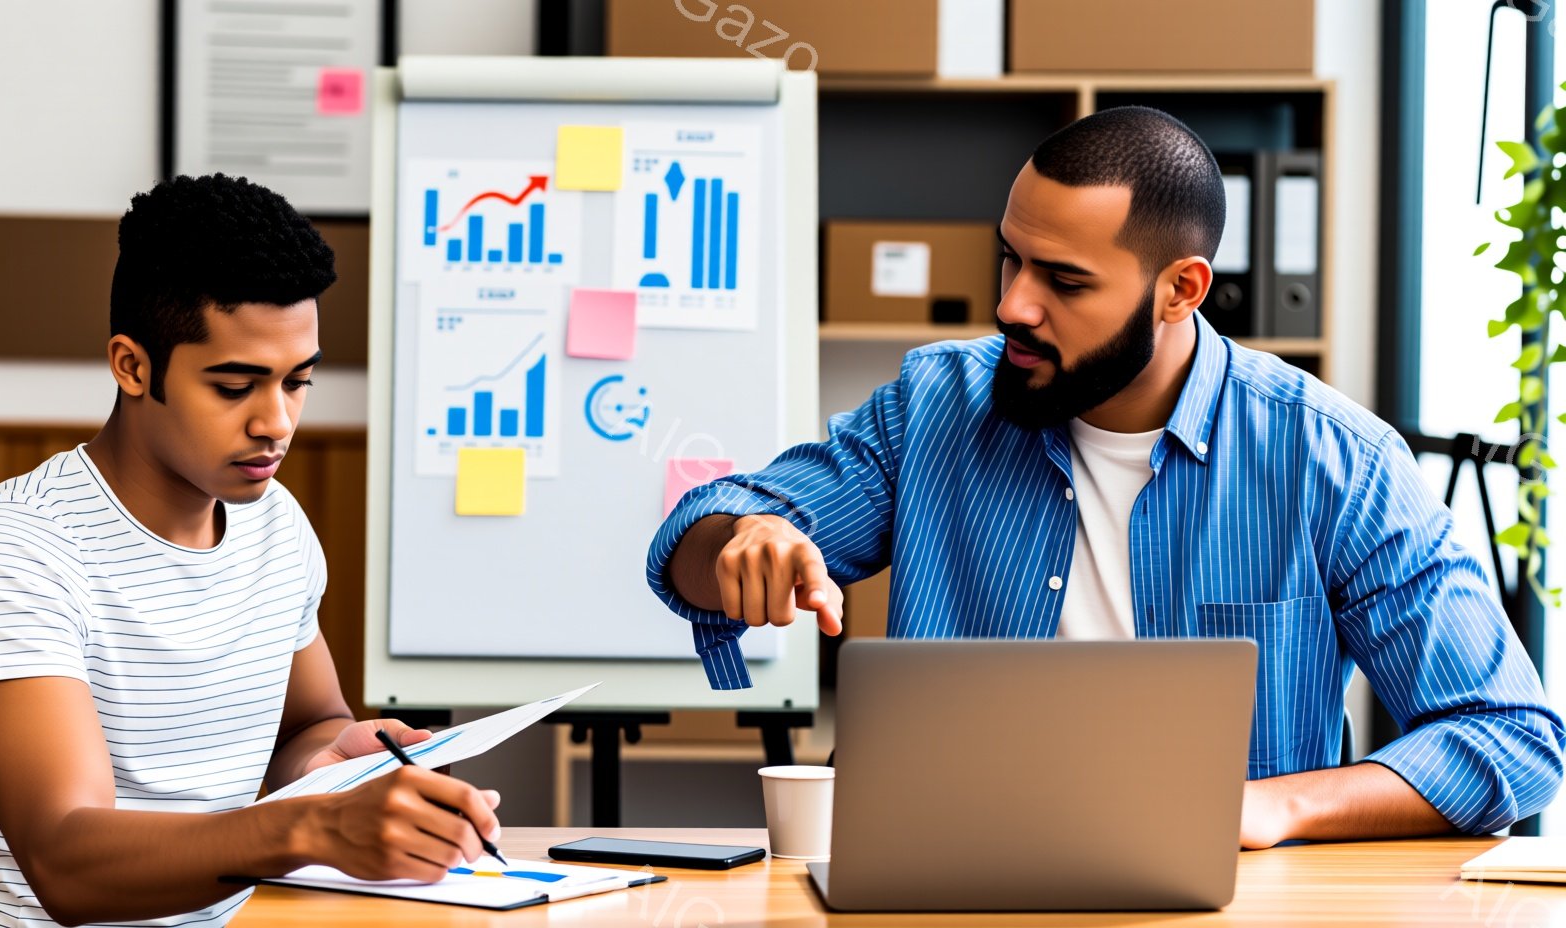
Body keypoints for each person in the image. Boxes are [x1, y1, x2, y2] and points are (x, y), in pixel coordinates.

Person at [648, 107, 1564, 848]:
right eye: (1010, 256)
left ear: (1181, 290)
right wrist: (739, 538)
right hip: (935, 890)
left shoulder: (1333, 461)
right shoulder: (936, 404)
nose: (1012, 303)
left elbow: (1508, 736)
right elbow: (699, 537)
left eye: (1065, 280)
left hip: (1223, 910)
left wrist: (1276, 805)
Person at [0, 174, 500, 928]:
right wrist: (314, 828)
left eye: (298, 382)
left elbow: (305, 728)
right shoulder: (15, 553)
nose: (277, 422)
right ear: (133, 366)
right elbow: (66, 863)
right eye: (236, 386)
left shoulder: (276, 525)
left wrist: (337, 757)